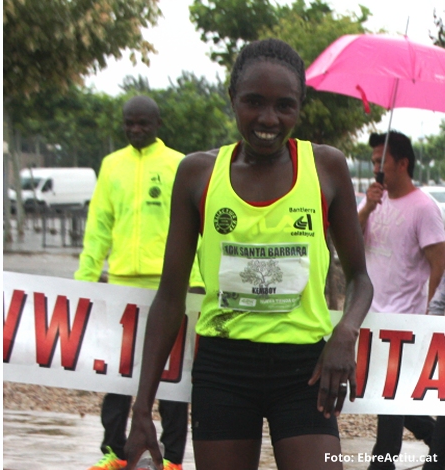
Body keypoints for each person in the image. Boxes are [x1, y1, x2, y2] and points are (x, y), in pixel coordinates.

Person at [122, 38, 373, 470]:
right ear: (232, 98)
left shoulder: (326, 168)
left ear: (300, 106)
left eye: (284, 106)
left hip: (305, 370)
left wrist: (345, 332)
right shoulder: (198, 175)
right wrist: (142, 408)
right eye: (253, 102)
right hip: (224, 369)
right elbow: (169, 296)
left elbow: (360, 278)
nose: (268, 119)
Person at [75, 96, 201, 470]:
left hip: (171, 289)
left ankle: (173, 460)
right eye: (129, 123)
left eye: (143, 124)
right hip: (119, 289)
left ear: (158, 124)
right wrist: (83, 281)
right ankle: (113, 455)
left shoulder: (179, 164)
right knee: (118, 377)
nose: (135, 130)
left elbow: (197, 229)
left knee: (173, 380)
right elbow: (97, 228)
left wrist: (197, 283)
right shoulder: (111, 166)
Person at [358, 131, 445, 470]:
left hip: (406, 319)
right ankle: (431, 437)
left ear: (403, 163)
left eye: (382, 161)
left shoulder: (424, 208)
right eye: (373, 161)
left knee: (389, 395)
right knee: (386, 396)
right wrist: (367, 206)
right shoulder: (374, 201)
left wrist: (428, 314)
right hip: (372, 315)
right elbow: (350, 239)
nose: (376, 168)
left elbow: (440, 262)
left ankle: (382, 462)